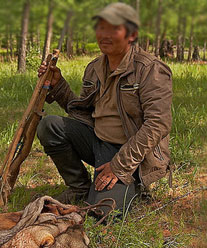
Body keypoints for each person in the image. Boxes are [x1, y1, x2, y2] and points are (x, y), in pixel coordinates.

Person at [36, 2, 172, 216]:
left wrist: (119, 165)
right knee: (50, 125)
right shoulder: (94, 68)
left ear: (132, 34)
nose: (105, 35)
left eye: (114, 29)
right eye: (101, 28)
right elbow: (80, 111)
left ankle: (134, 185)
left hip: (132, 151)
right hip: (98, 141)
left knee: (102, 213)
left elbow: (158, 124)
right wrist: (58, 83)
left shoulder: (150, 70)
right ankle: (80, 187)